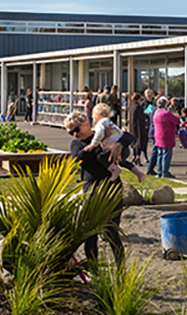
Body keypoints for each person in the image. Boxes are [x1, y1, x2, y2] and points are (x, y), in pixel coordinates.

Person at [66, 111, 135, 266]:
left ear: (87, 124)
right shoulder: (78, 144)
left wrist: (118, 144)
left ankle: (120, 270)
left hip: (111, 189)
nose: (75, 134)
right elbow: (77, 159)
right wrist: (97, 146)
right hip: (92, 190)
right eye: (71, 132)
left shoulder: (104, 135)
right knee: (91, 234)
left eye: (77, 129)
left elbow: (129, 136)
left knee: (111, 231)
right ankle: (93, 269)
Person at [86, 103, 145, 182]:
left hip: (114, 151)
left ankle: (115, 170)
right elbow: (121, 134)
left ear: (96, 115)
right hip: (124, 149)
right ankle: (139, 173)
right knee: (122, 162)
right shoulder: (111, 123)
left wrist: (92, 145)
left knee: (101, 157)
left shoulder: (100, 124)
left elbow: (99, 134)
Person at [153, 96, 181, 178]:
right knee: (166, 154)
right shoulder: (166, 113)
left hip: (158, 135)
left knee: (160, 154)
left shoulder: (156, 112)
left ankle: (159, 171)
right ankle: (165, 172)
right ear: (165, 105)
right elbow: (177, 120)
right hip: (166, 135)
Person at [127, 93, 149, 166]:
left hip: (132, 126)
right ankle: (138, 158)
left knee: (134, 141)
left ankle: (134, 156)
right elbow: (141, 116)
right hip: (138, 126)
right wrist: (147, 115)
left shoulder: (132, 106)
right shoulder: (138, 107)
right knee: (139, 142)